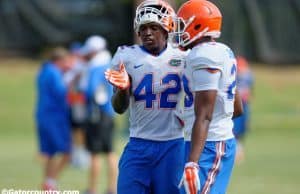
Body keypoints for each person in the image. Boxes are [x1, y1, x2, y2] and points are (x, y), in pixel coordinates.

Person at [104, 1, 187, 193]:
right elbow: (118, 108)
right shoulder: (126, 56)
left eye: (154, 27)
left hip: (173, 145)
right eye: (143, 28)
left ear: (167, 30)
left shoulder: (184, 57)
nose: (147, 32)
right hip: (138, 144)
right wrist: (123, 89)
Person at [170, 0, 243, 193]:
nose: (179, 30)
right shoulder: (223, 51)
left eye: (182, 24)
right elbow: (237, 108)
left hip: (208, 145)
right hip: (204, 140)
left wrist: (193, 162)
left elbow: (205, 114)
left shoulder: (204, 56)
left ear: (197, 25)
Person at [79, 35, 117, 194]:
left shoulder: (95, 67)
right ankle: (112, 188)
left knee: (95, 153)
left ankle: (92, 189)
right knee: (110, 152)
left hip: (97, 115)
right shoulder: (110, 64)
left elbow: (90, 91)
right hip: (109, 114)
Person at [35, 47, 73, 190]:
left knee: (50, 153)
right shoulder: (54, 73)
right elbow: (62, 92)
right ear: (60, 61)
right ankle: (50, 183)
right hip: (55, 118)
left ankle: (47, 183)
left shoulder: (43, 70)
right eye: (66, 61)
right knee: (67, 153)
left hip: (43, 115)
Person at [233, 56, 254, 164]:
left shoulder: (248, 75)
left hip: (244, 104)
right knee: (235, 129)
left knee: (242, 129)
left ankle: (239, 150)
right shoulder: (234, 75)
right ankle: (236, 152)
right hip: (236, 104)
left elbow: (250, 91)